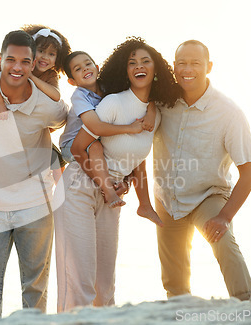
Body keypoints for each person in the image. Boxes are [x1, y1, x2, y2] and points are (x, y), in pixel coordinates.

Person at [54, 37, 179, 312]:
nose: (139, 66)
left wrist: (143, 202)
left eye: (145, 61)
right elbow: (77, 146)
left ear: (156, 69)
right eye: (132, 62)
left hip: (113, 192)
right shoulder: (111, 103)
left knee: (105, 284)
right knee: (80, 279)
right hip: (80, 185)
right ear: (125, 69)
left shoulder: (154, 114)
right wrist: (104, 183)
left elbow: (137, 161)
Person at [0, 30, 68, 317]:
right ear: (0, 60)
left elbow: (66, 117)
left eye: (25, 61)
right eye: (10, 60)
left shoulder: (48, 106)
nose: (17, 67)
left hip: (35, 203)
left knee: (35, 290)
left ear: (34, 65)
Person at [153, 40, 251, 301]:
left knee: (223, 243)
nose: (188, 69)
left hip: (207, 196)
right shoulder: (161, 102)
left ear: (209, 67)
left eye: (195, 63)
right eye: (182, 63)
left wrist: (224, 216)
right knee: (174, 284)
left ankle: (248, 303)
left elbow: (250, 172)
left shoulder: (228, 112)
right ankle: (179, 312)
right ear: (173, 66)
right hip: (167, 199)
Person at [59, 50, 156, 207]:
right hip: (71, 144)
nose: (85, 69)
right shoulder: (79, 96)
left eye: (88, 64)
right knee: (96, 146)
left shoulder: (107, 87)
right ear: (72, 81)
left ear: (97, 67)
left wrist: (151, 111)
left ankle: (138, 199)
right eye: (78, 69)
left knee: (122, 148)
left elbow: (141, 94)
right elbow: (95, 127)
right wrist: (130, 128)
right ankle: (108, 192)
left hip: (93, 140)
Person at [0, 24, 71, 183]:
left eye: (51, 54)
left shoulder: (50, 75)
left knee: (54, 158)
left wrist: (31, 77)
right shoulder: (15, 65)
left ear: (57, 59)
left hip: (36, 130)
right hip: (8, 122)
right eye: (41, 51)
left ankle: (63, 192)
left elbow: (56, 95)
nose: (45, 57)